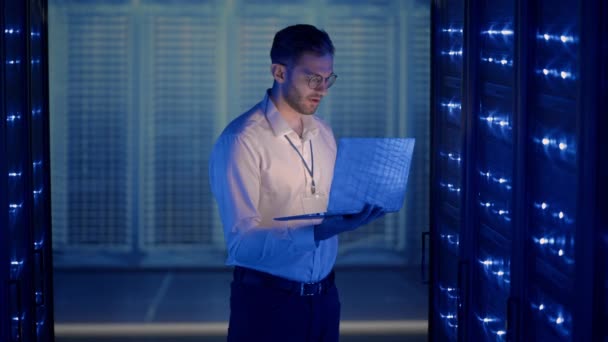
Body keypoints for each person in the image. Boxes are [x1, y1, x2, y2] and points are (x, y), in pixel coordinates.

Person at [209, 24, 384, 342]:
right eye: (312, 78)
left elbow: (329, 204)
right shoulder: (241, 141)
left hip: (325, 299)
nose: (322, 89)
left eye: (328, 78)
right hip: (267, 304)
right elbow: (241, 245)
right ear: (278, 72)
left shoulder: (323, 132)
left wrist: (357, 204)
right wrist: (319, 231)